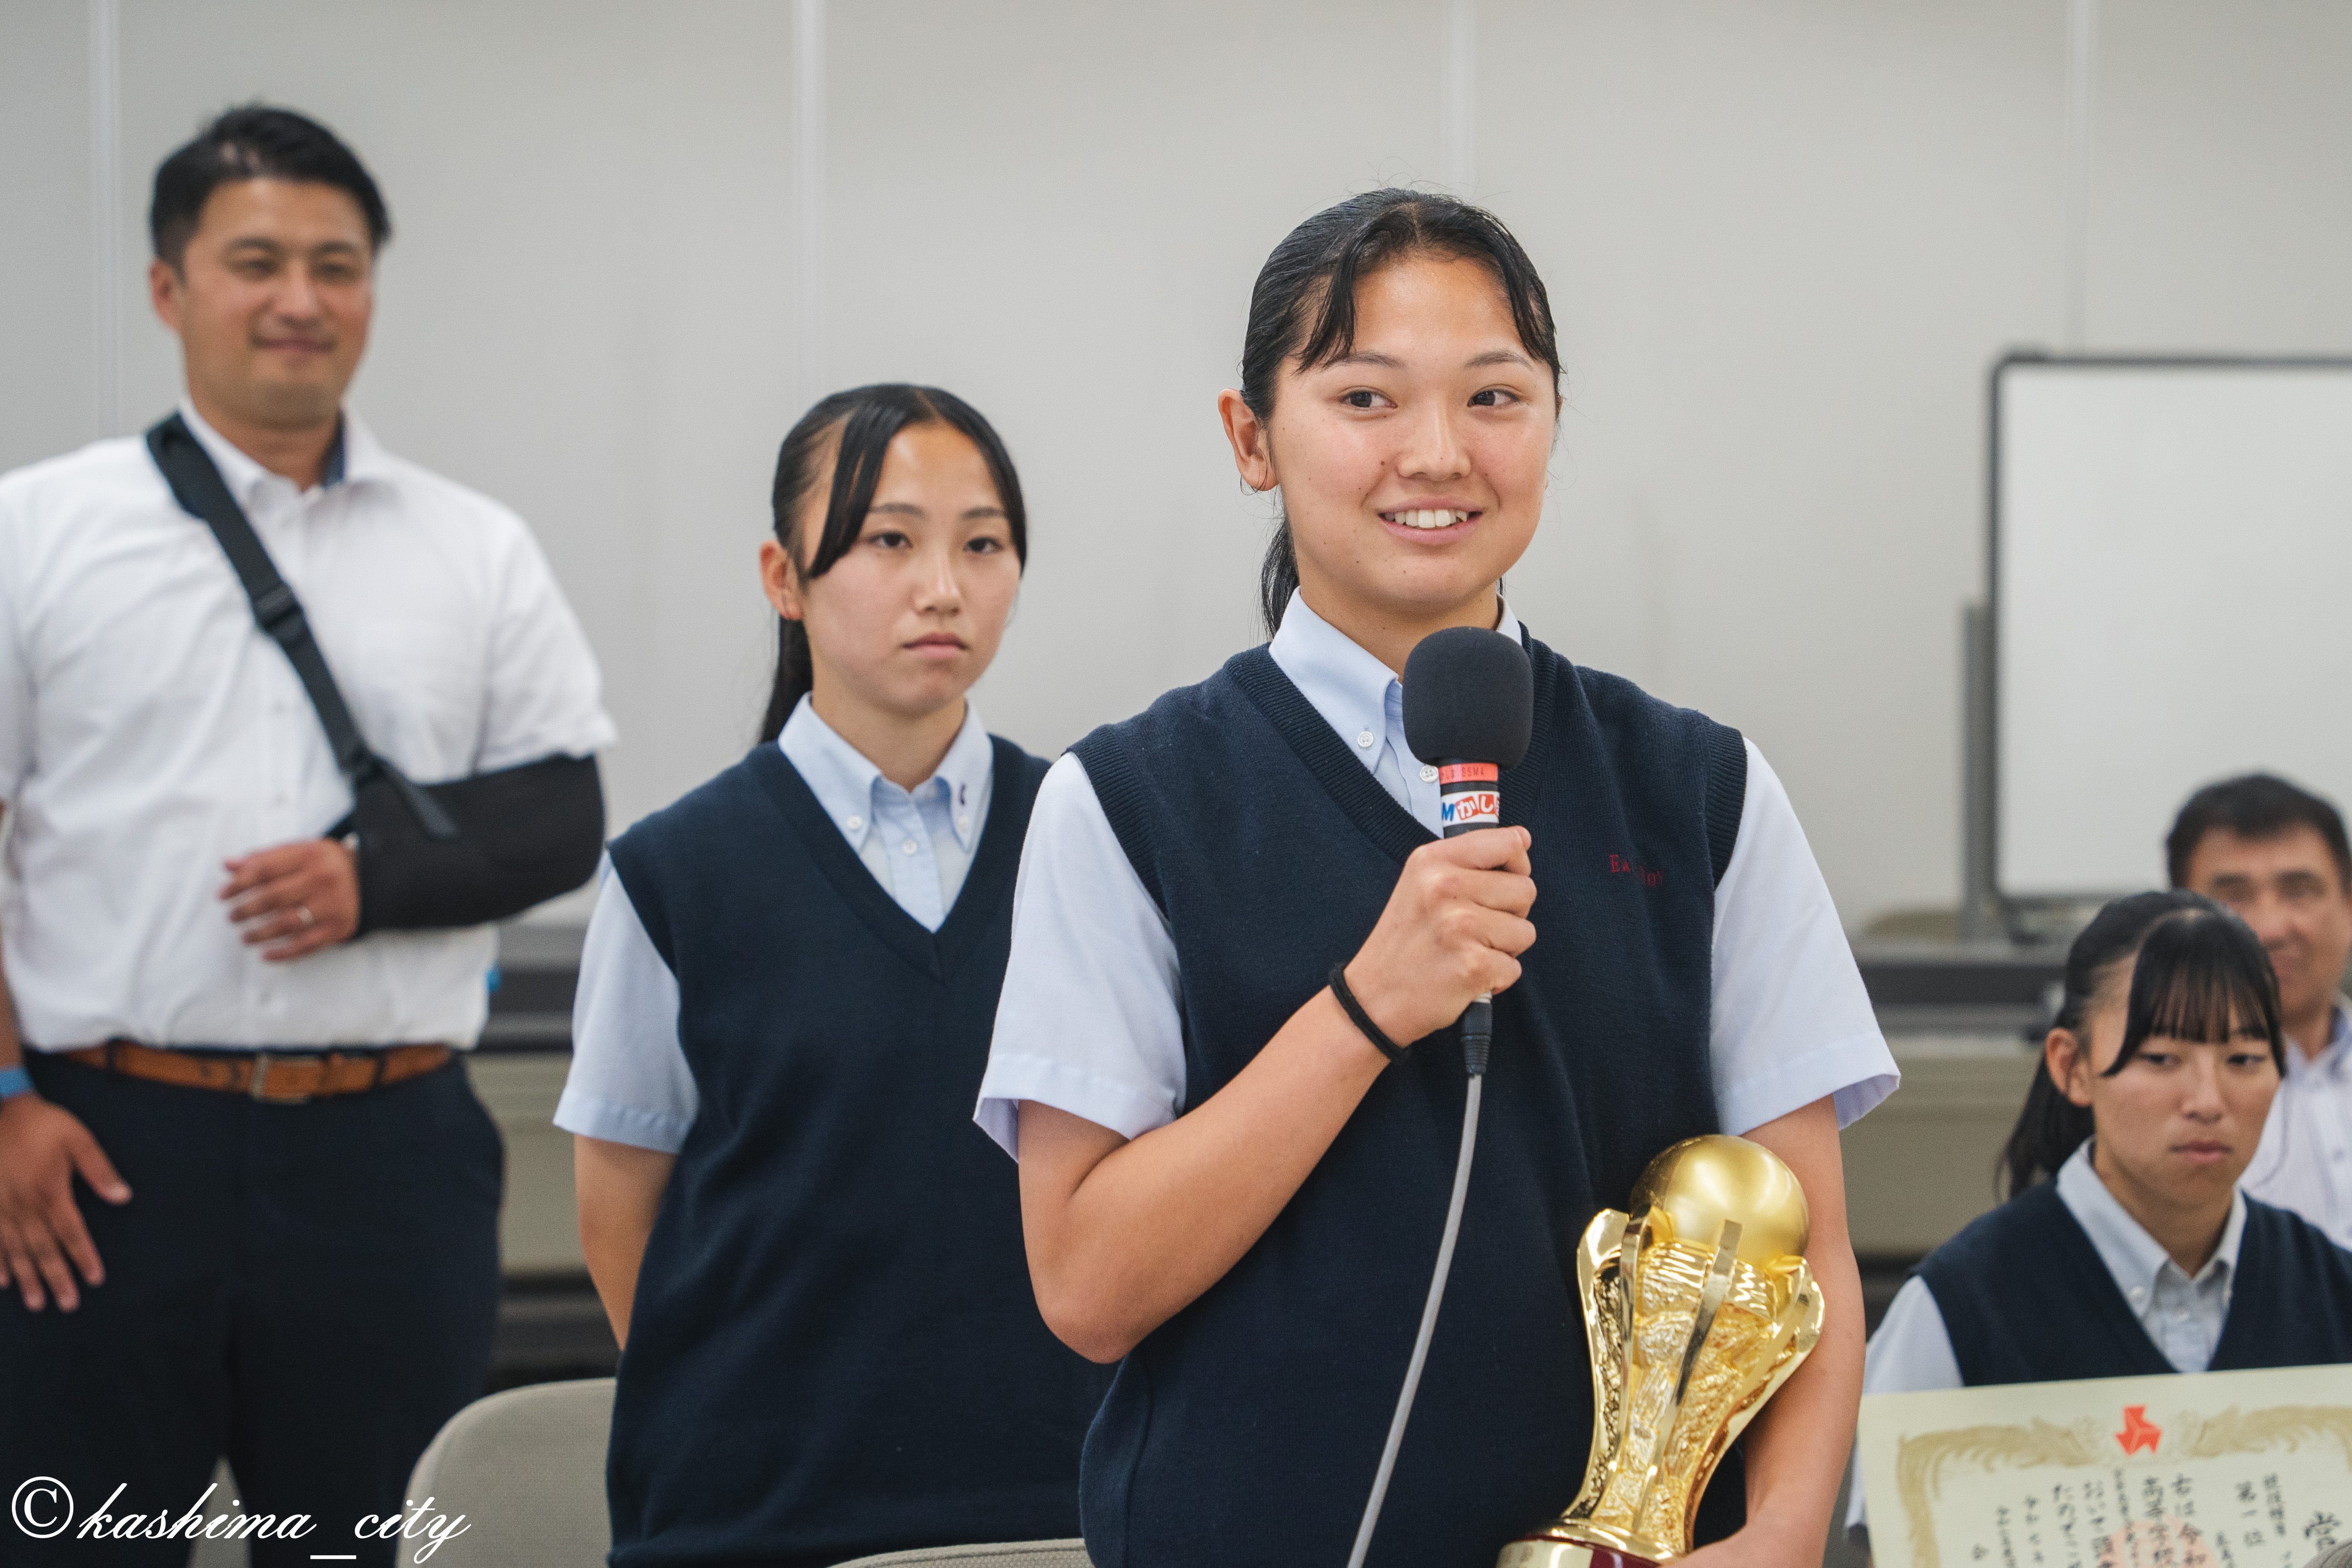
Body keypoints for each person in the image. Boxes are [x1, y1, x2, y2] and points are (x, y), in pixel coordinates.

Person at [976, 190, 1898, 1568]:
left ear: (1551, 420)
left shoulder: (1698, 791)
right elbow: (1085, 1284)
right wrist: (1361, 1009)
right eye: (1363, 397)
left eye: (1492, 396)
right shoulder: (1122, 803)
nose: (1437, 453)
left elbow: (1804, 1247)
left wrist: (1775, 1538)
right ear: (1249, 438)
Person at [0, 107, 613, 1563]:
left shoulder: (471, 546)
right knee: (77, 1543)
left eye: (335, 265)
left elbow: (559, 817)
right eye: (256, 260)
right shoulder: (39, 532)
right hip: (97, 1147)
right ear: (170, 289)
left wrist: (373, 878)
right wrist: (5, 1091)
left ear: (371, 293)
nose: (299, 298)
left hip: (388, 1151)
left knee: (361, 1546)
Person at [559, 384, 1109, 1568]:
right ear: (781, 576)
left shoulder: (1091, 840)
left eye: (983, 543)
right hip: (753, 1519)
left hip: (1055, 1508)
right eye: (888, 539)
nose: (942, 586)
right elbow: (618, 1213)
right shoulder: (676, 874)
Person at [1844, 891, 2352, 1544]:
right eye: (2161, 1057)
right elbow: (1891, 1544)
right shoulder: (1958, 1308)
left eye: (2243, 1059)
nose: (2206, 1099)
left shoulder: (2332, 1292)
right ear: (2070, 1065)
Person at [2168, 773, 2352, 1248]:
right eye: (2234, 896)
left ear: (2349, 909)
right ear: (2175, 919)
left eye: (2299, 891)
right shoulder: (2154, 1097)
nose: (2269, 928)